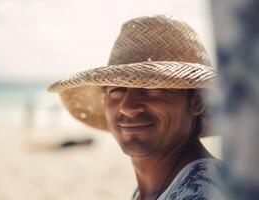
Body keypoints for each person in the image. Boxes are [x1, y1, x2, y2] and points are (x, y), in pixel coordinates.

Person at [48, 15, 223, 199]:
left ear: (197, 101)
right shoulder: (152, 190)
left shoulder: (206, 192)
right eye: (117, 89)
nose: (128, 107)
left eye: (151, 88)